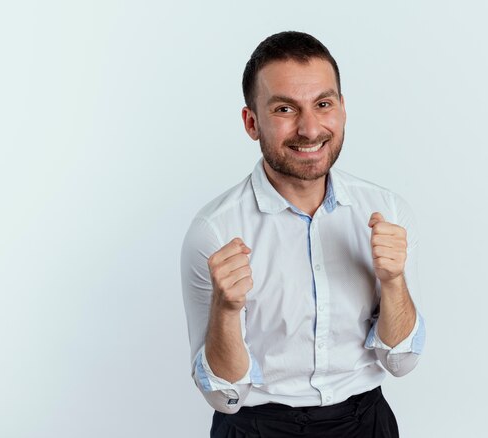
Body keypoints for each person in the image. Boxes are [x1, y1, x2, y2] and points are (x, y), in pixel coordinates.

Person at [181, 31, 426, 438]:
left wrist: (394, 281)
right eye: (284, 109)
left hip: (365, 423)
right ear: (251, 122)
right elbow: (225, 397)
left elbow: (401, 363)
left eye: (323, 104)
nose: (310, 129)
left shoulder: (387, 212)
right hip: (257, 428)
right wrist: (225, 310)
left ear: (343, 109)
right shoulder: (214, 232)